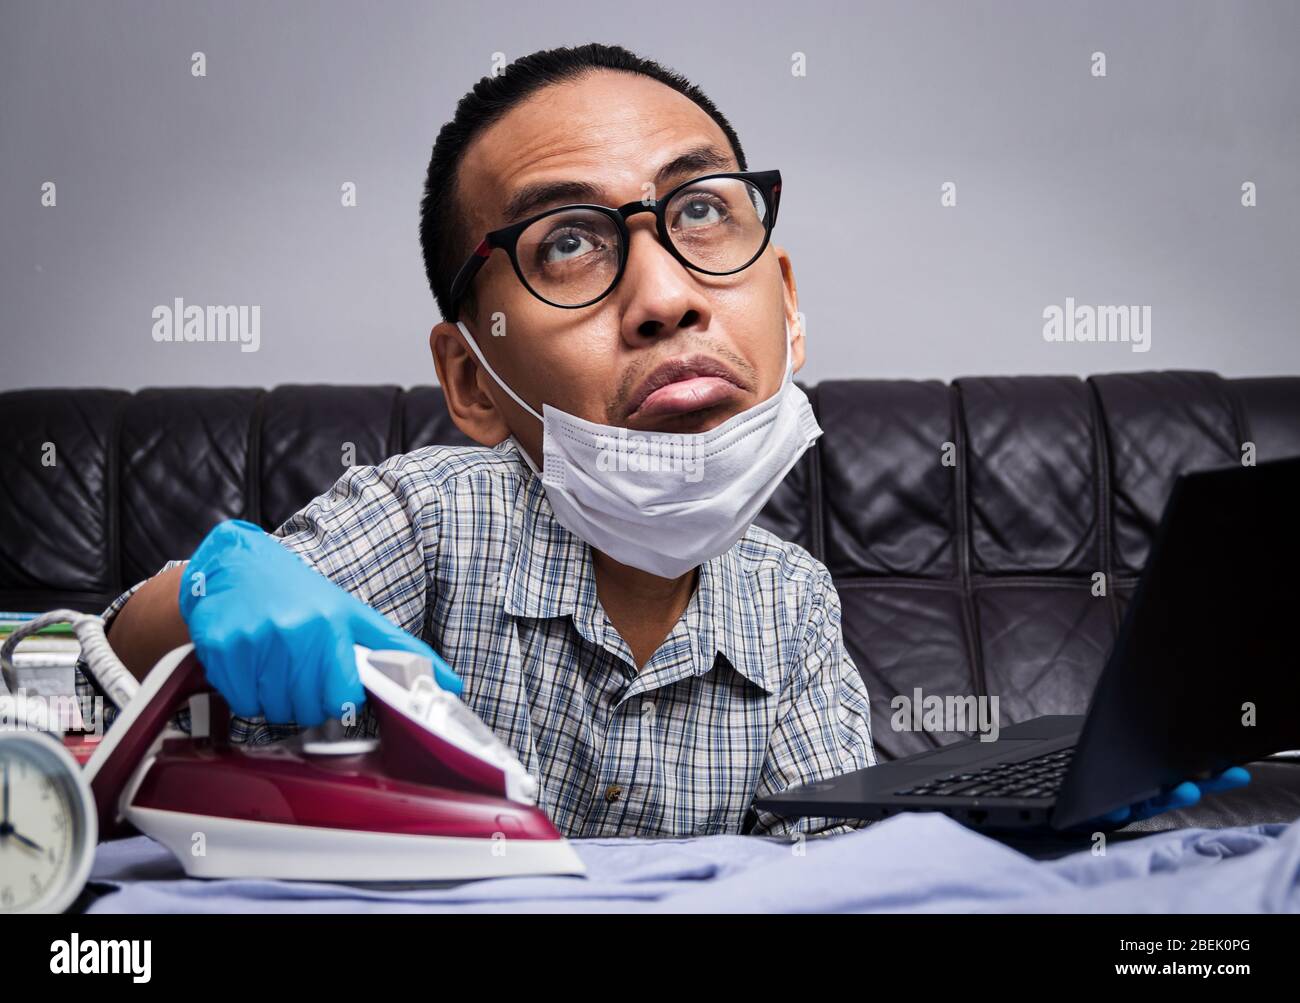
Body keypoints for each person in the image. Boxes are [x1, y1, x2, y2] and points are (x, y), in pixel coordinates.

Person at [82, 43, 1243, 839]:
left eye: (700, 213)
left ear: (784, 305)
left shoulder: (790, 602)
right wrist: (182, 604)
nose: (667, 297)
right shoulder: (423, 518)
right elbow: (81, 709)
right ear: (470, 382)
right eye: (568, 244)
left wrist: (1048, 827)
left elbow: (834, 863)